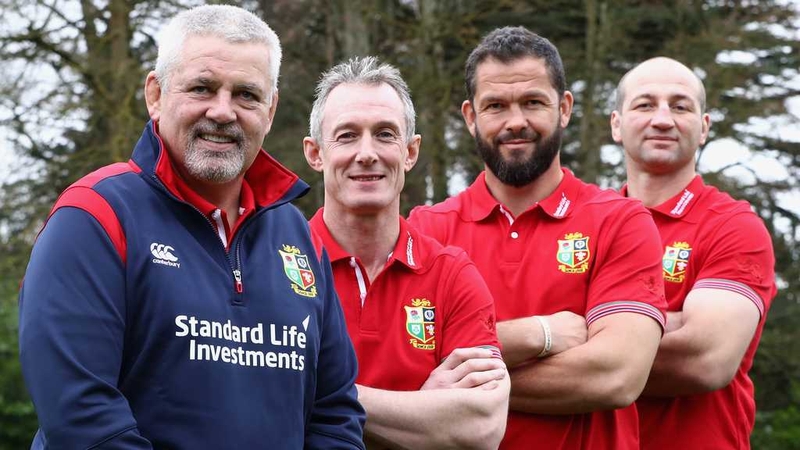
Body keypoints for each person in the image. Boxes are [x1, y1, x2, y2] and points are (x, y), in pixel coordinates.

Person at [18, 5, 365, 449]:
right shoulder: (94, 218)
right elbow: (83, 419)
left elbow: (334, 414)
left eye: (246, 94)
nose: (223, 112)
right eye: (202, 88)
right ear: (155, 95)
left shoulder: (298, 238)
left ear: (271, 109)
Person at [408, 26, 669, 449]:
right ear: (471, 116)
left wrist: (457, 375)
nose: (516, 122)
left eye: (533, 102)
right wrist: (538, 335)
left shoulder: (620, 221)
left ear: (564, 108)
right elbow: (402, 368)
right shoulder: (424, 230)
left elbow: (615, 375)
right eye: (495, 106)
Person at [302, 56, 509, 449]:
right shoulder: (274, 264)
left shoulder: (451, 274)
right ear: (315, 153)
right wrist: (422, 408)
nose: (367, 153)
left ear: (411, 151)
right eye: (346, 135)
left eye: (384, 134)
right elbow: (253, 400)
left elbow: (479, 428)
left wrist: (314, 393)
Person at [610, 56, 777, 449]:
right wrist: (671, 321)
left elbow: (704, 359)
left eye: (680, 106)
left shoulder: (733, 225)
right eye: (645, 104)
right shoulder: (586, 227)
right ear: (617, 124)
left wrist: (590, 327)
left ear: (703, 128)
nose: (663, 119)